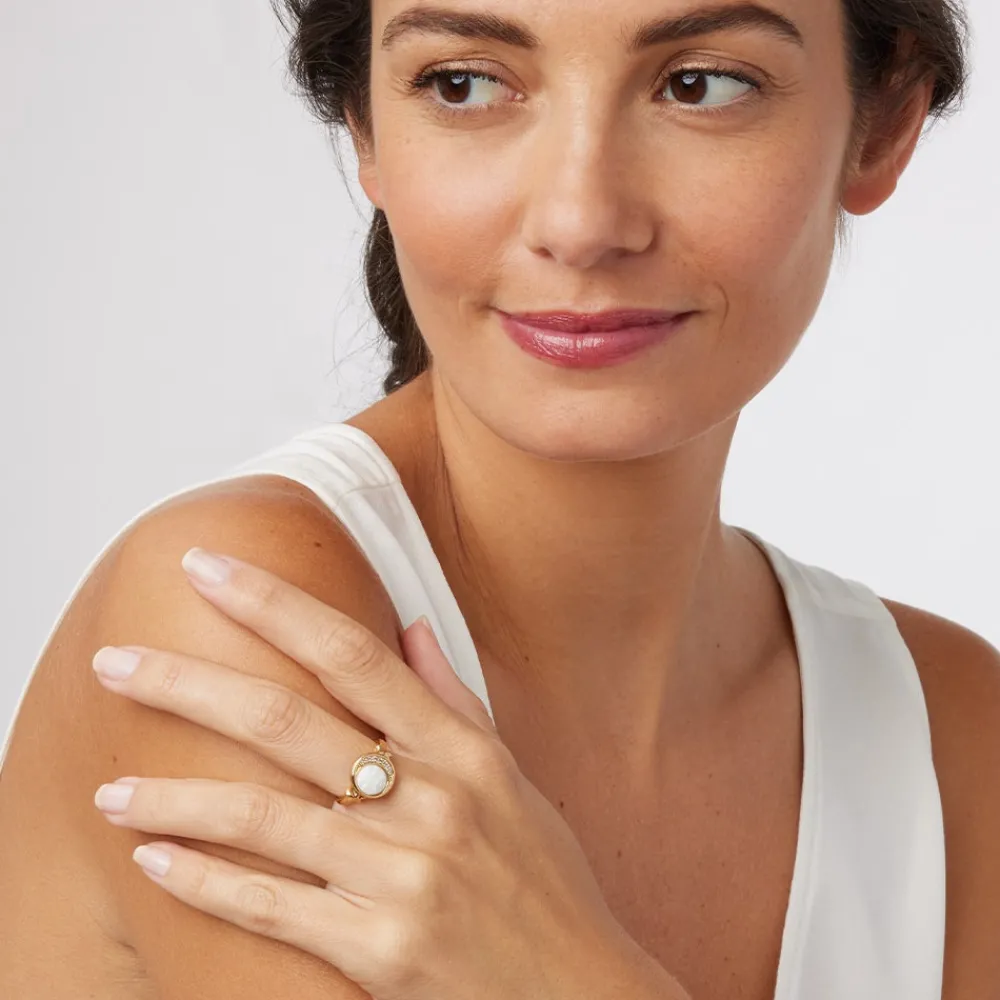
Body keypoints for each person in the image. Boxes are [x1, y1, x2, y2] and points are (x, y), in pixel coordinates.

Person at [1, 0, 995, 997]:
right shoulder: (253, 616)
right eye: (464, 83)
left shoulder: (949, 732)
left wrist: (573, 971)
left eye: (699, 86)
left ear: (882, 122)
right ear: (365, 127)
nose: (580, 221)